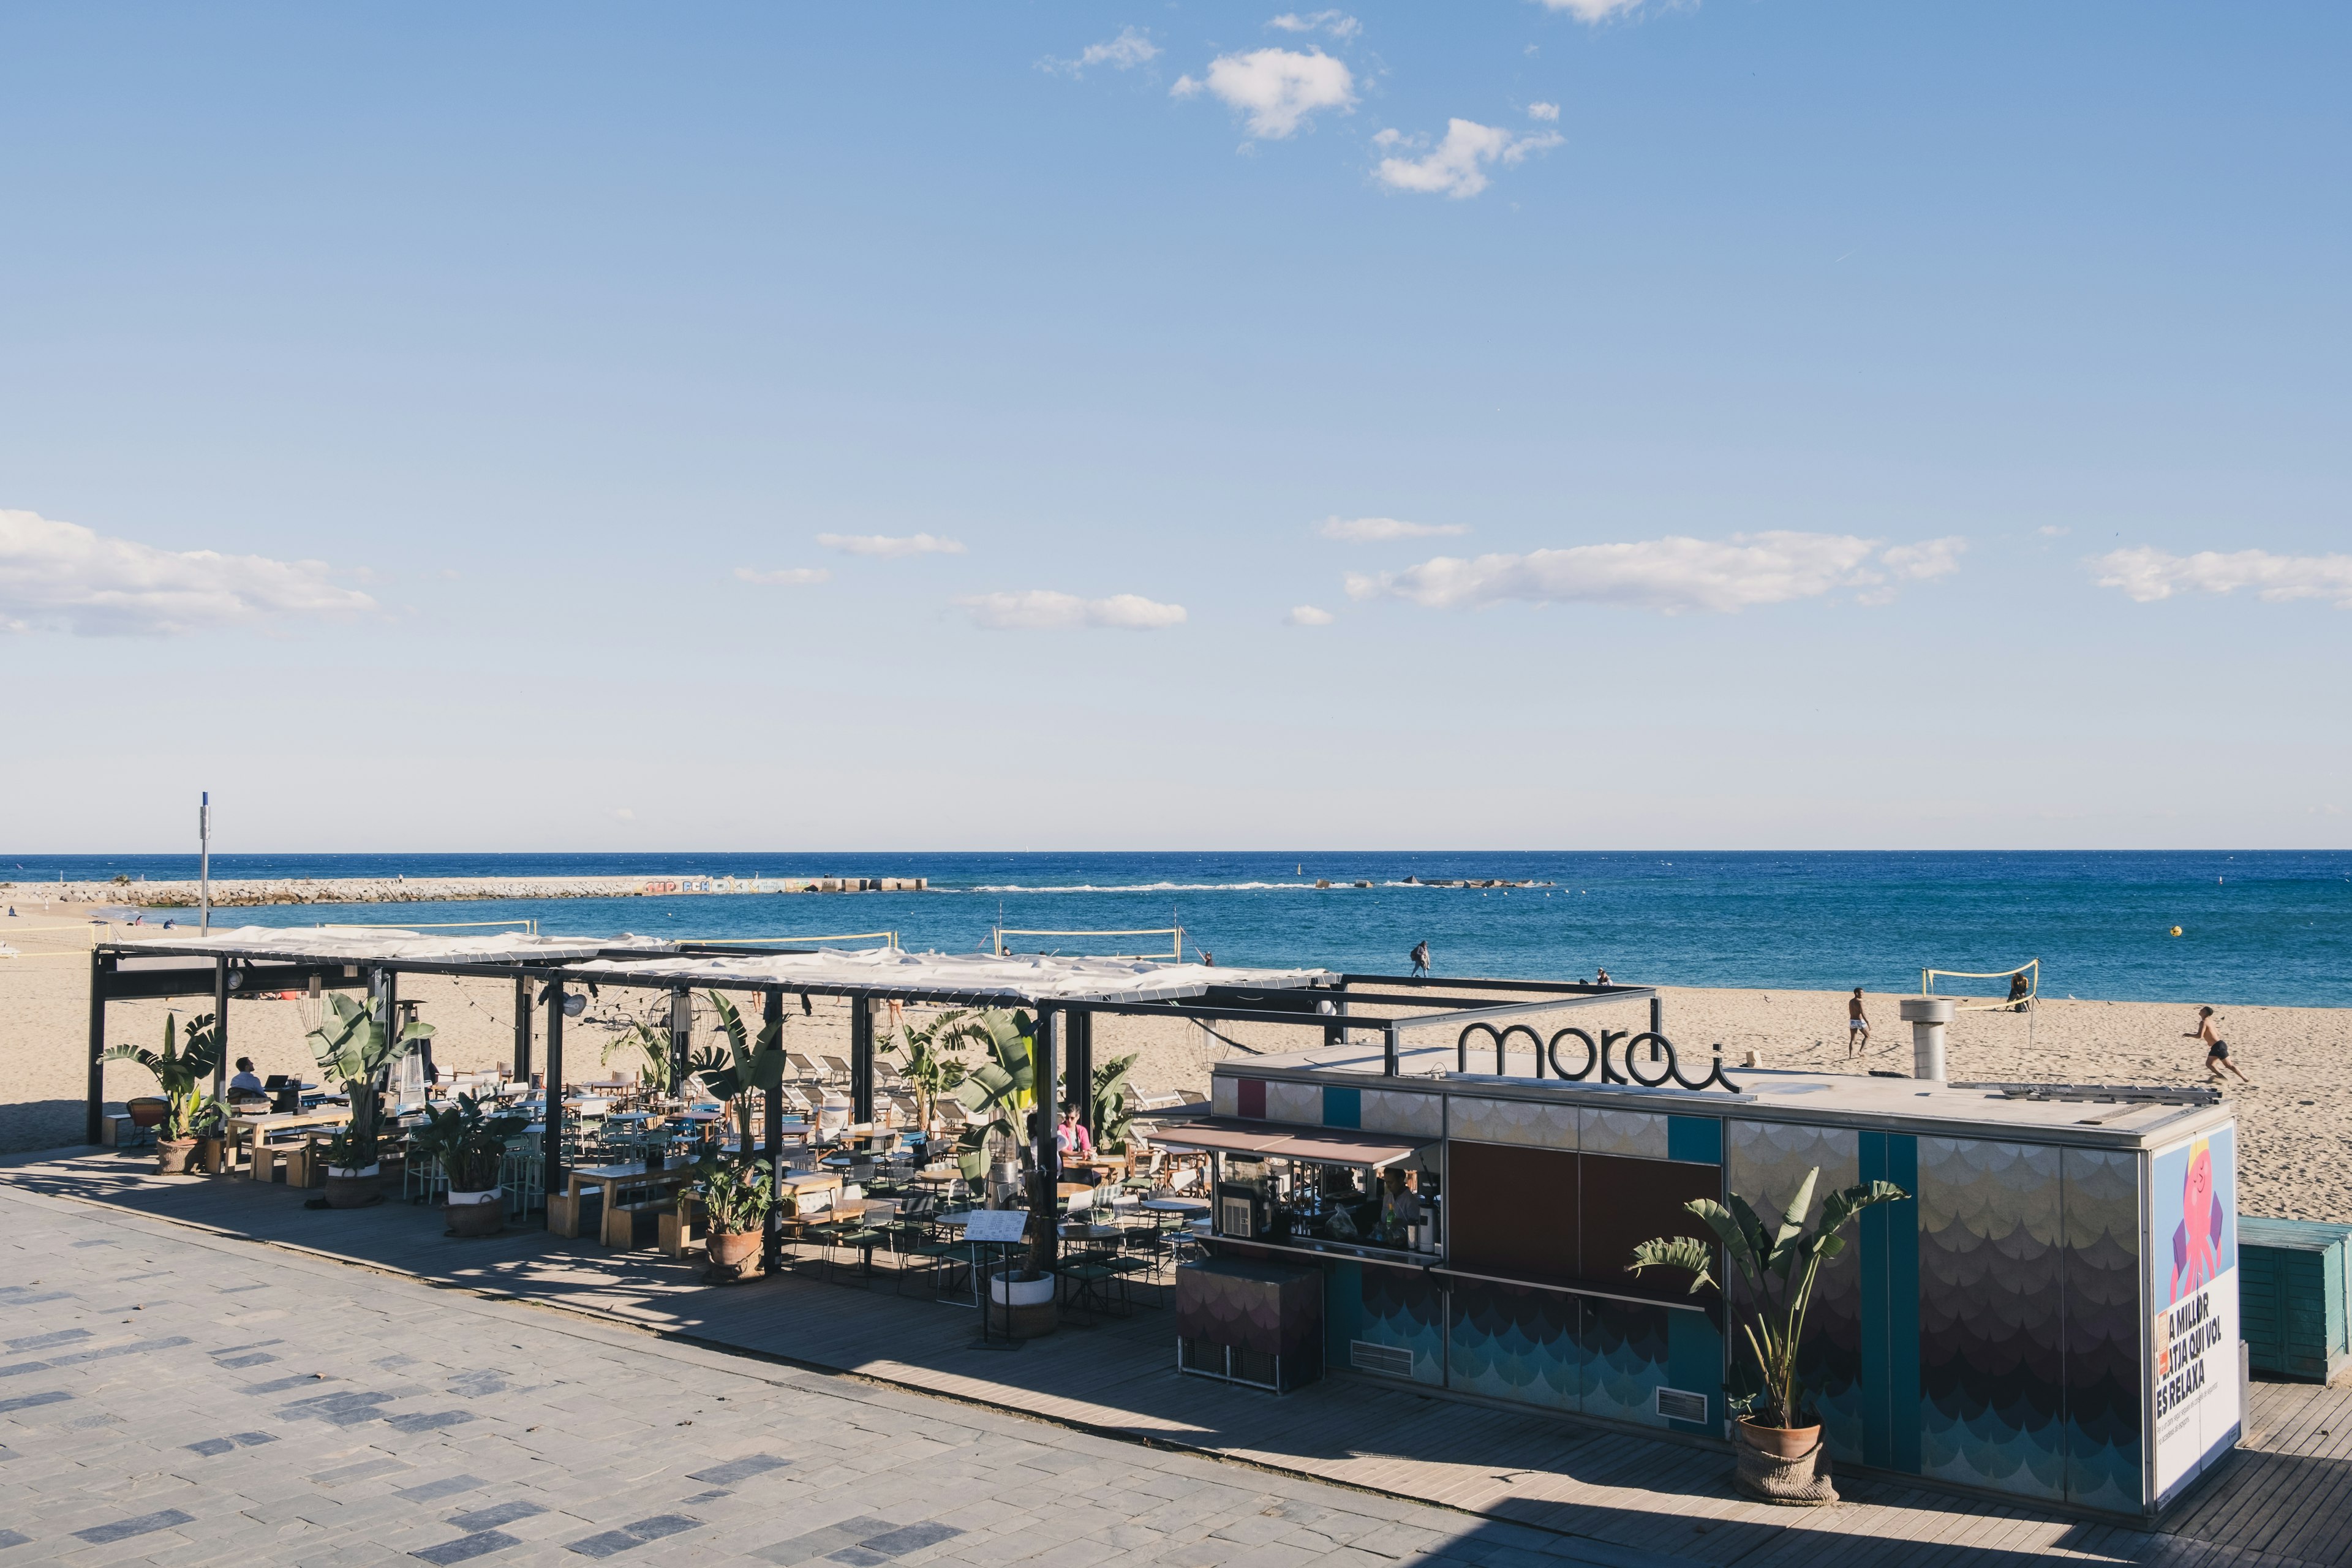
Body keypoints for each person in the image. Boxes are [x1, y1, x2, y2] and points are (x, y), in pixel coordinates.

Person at [2187, 1007, 2249, 1086]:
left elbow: (2200, 1036)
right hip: (2219, 1045)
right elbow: (2217, 1033)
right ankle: (2224, 1078)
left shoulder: (2203, 1022)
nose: (2200, 1010)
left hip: (2218, 1047)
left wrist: (2189, 1035)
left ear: (2205, 1013)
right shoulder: (2210, 1021)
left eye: (2202, 1010)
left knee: (2229, 1065)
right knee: (2210, 1064)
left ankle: (2245, 1079)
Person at [1847, 989, 1870, 1057]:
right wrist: (1868, 1022)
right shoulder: (1860, 1002)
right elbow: (1863, 1013)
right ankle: (1861, 1051)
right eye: (1862, 993)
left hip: (1852, 1021)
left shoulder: (1851, 1001)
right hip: (1860, 1021)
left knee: (1853, 1040)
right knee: (1867, 1036)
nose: (1863, 994)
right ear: (1857, 993)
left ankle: (1850, 1056)